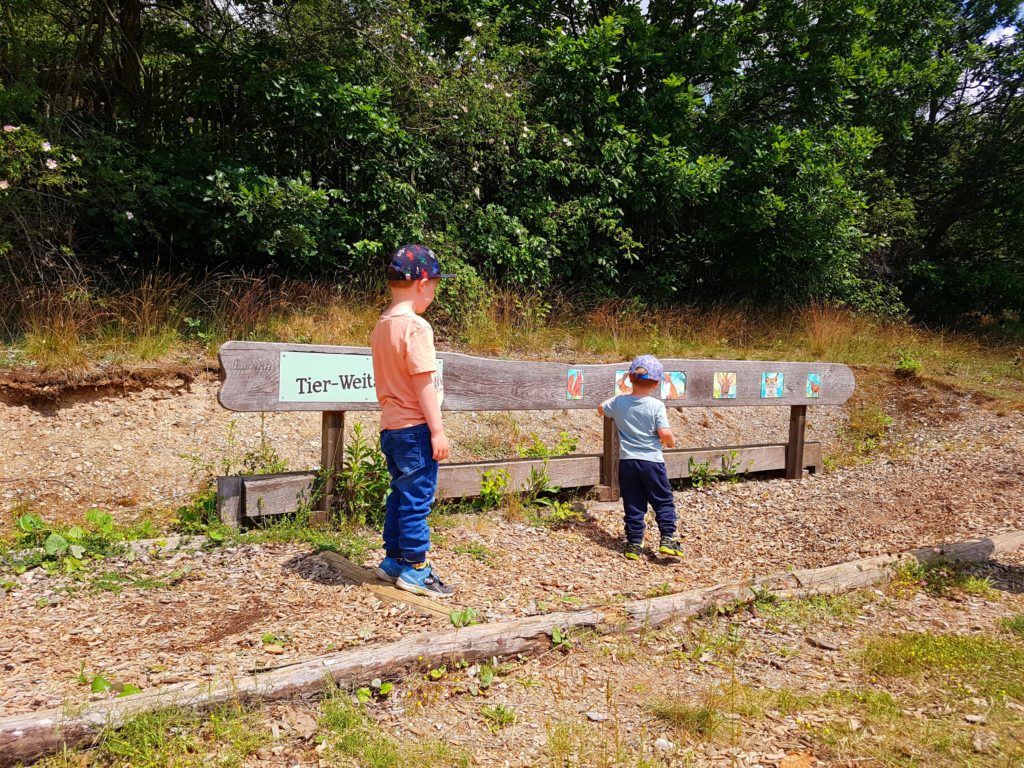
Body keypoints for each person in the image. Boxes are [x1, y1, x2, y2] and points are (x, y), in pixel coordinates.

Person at [370, 244, 455, 597]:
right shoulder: (417, 328)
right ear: (422, 283)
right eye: (435, 284)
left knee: (399, 494)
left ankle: (393, 560)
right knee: (418, 499)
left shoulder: (382, 325)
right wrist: (437, 430)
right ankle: (417, 568)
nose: (434, 292)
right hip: (416, 428)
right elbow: (422, 381)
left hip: (391, 428)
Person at [598, 355, 686, 561]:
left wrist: (620, 398)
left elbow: (601, 408)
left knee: (633, 502)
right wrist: (671, 442)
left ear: (629, 378)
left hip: (627, 462)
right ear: (656, 383)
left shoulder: (619, 402)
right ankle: (667, 539)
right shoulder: (656, 406)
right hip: (652, 462)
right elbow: (664, 433)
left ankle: (634, 543)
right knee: (663, 500)